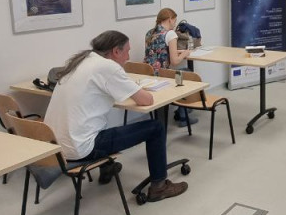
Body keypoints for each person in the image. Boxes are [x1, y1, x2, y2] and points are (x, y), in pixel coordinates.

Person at [44, 30, 187, 202]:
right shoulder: (107, 67)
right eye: (127, 51)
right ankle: (159, 186)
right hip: (80, 149)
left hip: (54, 148)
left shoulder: (81, 60)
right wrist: (134, 89)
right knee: (156, 127)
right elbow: (146, 100)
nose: (128, 57)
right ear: (116, 51)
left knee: (99, 122)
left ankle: (107, 168)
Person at [144, 8, 196, 126]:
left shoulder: (149, 33)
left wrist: (176, 51)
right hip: (162, 76)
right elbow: (175, 61)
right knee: (188, 73)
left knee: (182, 74)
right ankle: (183, 115)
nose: (175, 24)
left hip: (148, 74)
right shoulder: (170, 34)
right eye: (175, 21)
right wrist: (185, 53)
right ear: (169, 20)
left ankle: (182, 112)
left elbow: (155, 52)